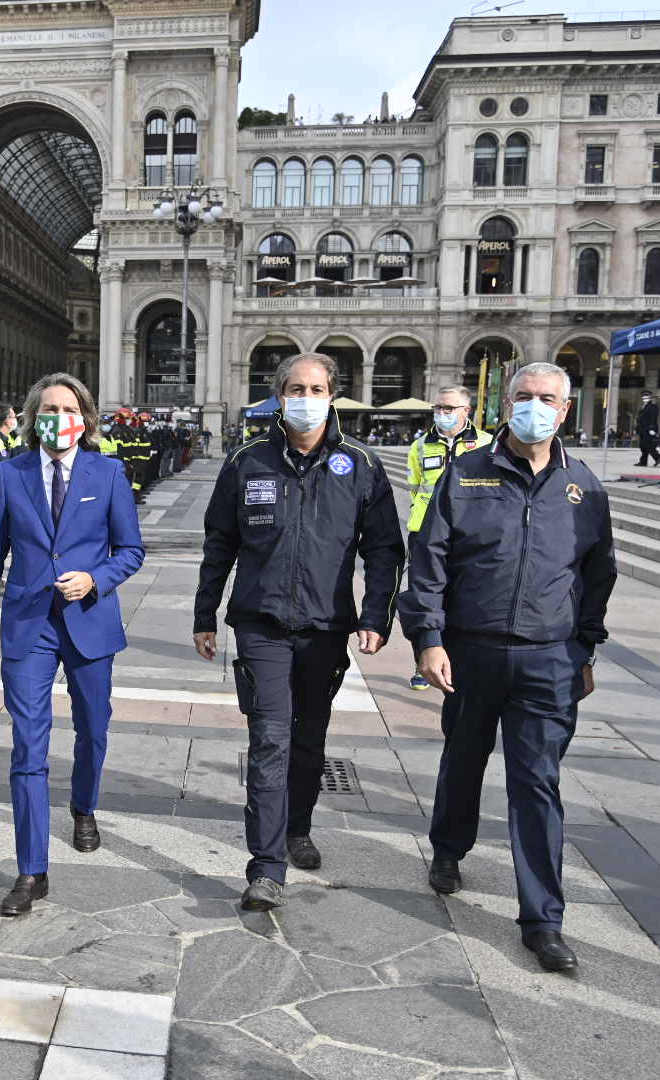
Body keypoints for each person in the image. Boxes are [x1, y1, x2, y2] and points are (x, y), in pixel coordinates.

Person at [400, 361, 617, 974]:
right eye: (524, 396)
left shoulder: (585, 488)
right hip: (472, 652)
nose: (535, 407)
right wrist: (429, 638)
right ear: (505, 404)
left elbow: (599, 573)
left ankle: (544, 919)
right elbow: (430, 562)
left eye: (547, 398)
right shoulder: (465, 475)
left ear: (565, 410)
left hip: (549, 659)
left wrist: (586, 646)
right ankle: (448, 848)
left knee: (538, 783)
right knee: (463, 758)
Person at [194, 353, 405, 911]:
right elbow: (220, 542)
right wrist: (204, 614)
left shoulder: (360, 464)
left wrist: (376, 616)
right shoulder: (247, 461)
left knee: (309, 739)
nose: (305, 396)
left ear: (332, 395)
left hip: (325, 628)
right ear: (279, 395)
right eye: (295, 387)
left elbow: (384, 549)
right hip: (260, 623)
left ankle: (298, 827)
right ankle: (265, 867)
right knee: (269, 740)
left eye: (316, 387)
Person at [0, 373, 145, 916]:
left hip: (90, 621)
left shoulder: (108, 472)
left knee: (94, 727)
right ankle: (31, 870)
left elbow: (131, 550)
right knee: (28, 746)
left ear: (85, 418)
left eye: (68, 408)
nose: (58, 416)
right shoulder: (10, 474)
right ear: (31, 415)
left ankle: (84, 806)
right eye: (48, 407)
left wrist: (96, 578)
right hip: (28, 625)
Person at [403, 386, 492, 691]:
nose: (442, 413)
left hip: (470, 535)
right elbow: (415, 487)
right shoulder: (420, 446)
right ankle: (422, 663)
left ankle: (459, 659)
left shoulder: (487, 444)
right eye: (439, 407)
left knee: (464, 596)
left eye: (449, 408)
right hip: (425, 532)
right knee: (423, 597)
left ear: (467, 411)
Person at [635, 391, 660, 468]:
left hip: (648, 430)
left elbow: (653, 418)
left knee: (648, 445)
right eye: (643, 396)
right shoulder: (643, 406)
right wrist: (637, 429)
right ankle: (643, 462)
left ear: (650, 397)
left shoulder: (653, 406)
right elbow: (640, 419)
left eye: (646, 396)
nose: (644, 397)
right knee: (643, 446)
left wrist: (652, 428)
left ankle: (658, 457)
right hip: (642, 429)